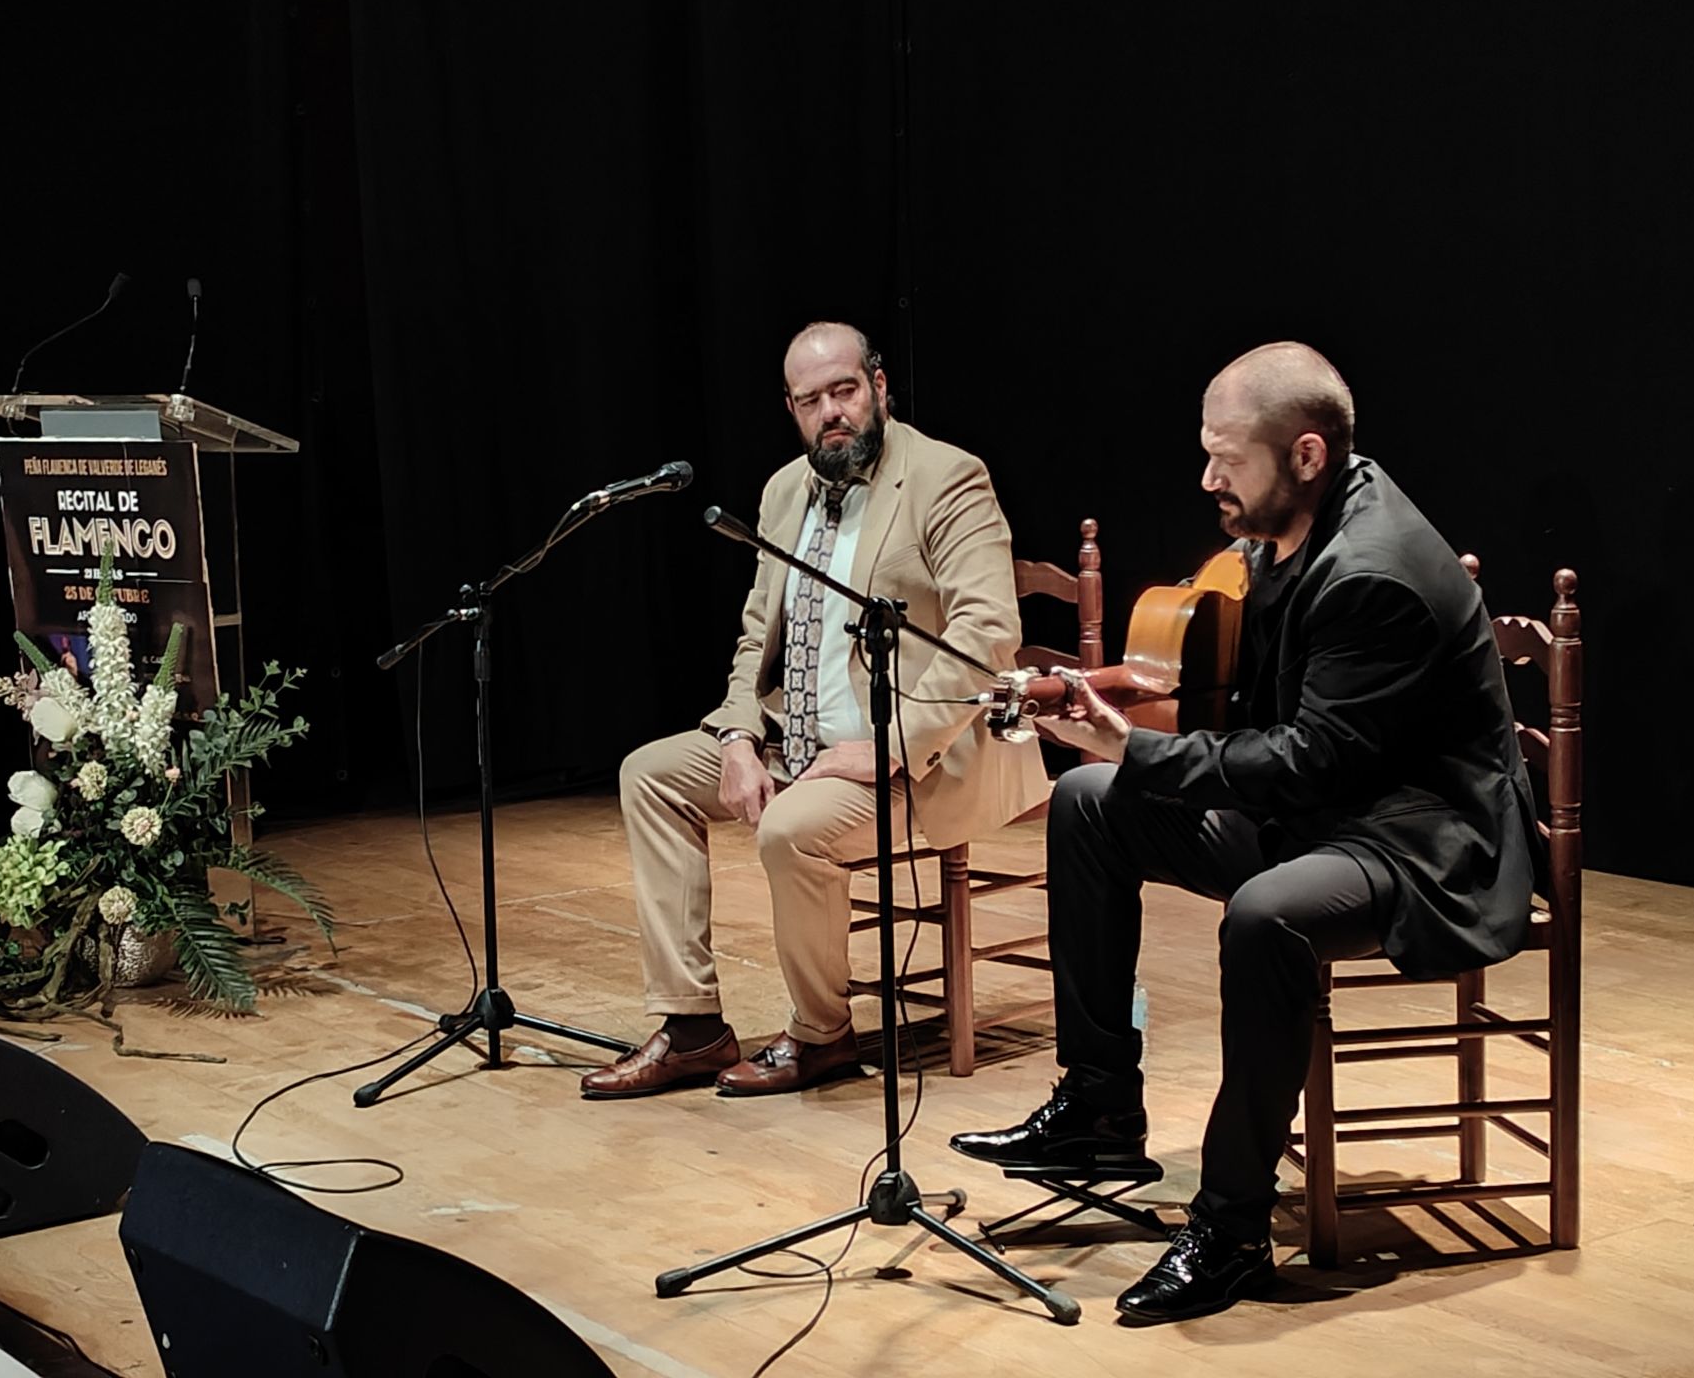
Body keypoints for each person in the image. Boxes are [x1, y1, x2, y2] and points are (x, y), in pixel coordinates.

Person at [950, 341, 1541, 1324]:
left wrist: (1137, 748)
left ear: (1306, 454)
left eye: (1227, 457)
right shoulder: (1288, 522)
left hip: (1420, 843)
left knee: (1267, 915)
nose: (1207, 477)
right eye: (1206, 452)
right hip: (1321, 814)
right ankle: (1100, 1106)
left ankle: (1231, 1228)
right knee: (1088, 803)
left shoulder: (1372, 574)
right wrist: (1089, 700)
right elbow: (1247, 710)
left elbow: (1306, 759)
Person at [582, 321, 1048, 1100]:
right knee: (651, 775)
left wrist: (891, 742)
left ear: (878, 387)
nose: (832, 412)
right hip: (799, 741)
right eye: (812, 401)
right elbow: (754, 635)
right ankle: (693, 1026)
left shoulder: (946, 476)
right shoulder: (780, 492)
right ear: (792, 410)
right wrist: (735, 732)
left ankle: (821, 1037)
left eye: (845, 392)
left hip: (917, 755)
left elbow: (989, 632)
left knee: (790, 828)